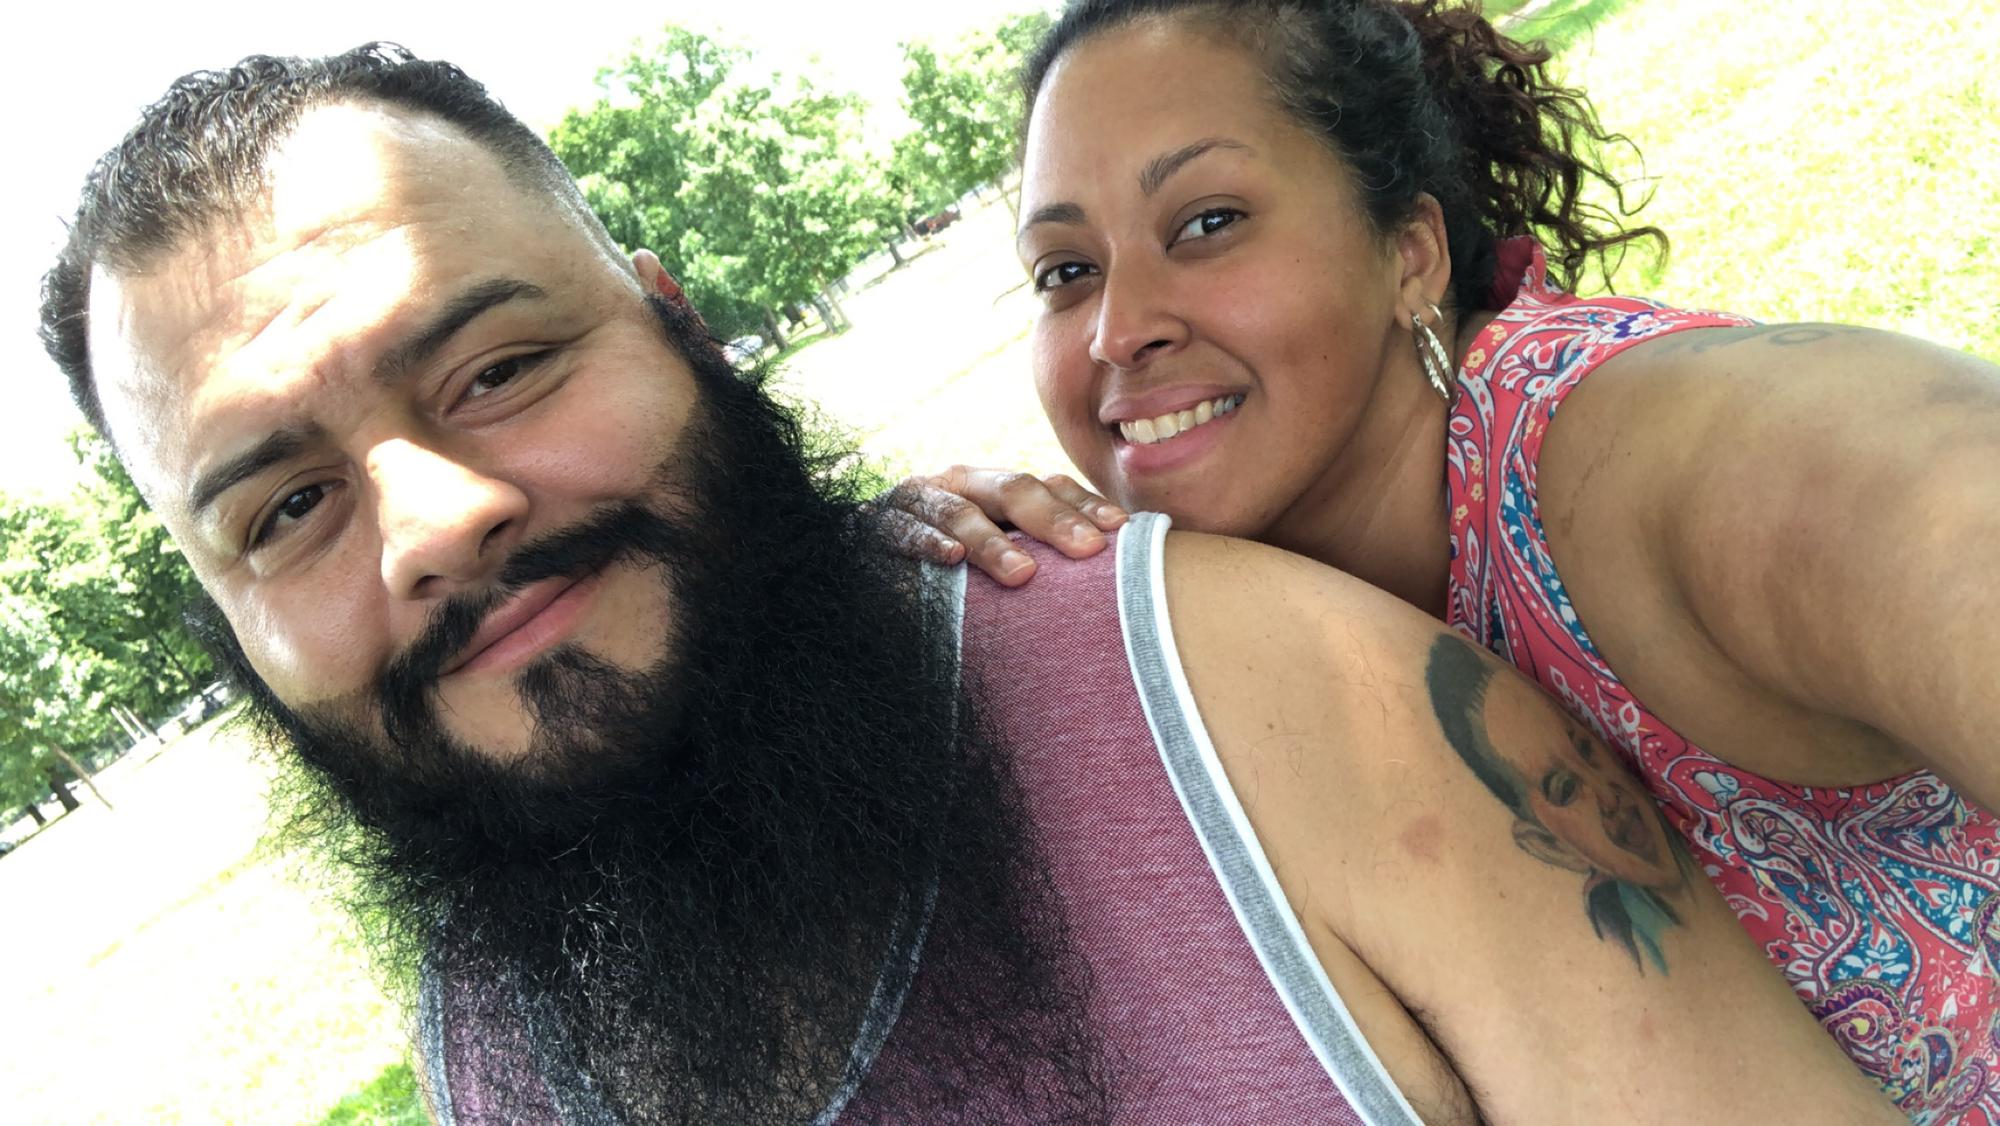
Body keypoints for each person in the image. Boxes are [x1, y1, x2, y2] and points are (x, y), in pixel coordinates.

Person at [37, 45, 1903, 1125]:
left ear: (681, 331)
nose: (430, 525)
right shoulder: (495, 1046)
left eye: (500, 367)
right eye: (283, 508)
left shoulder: (1248, 696)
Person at [887, 0, 2000, 1117]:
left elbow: (1924, 500)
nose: (1116, 329)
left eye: (1208, 221)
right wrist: (912, 600)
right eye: (1064, 272)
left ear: (1409, 253)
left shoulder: (1653, 463)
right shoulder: (1206, 637)